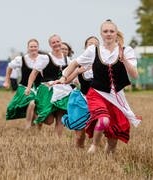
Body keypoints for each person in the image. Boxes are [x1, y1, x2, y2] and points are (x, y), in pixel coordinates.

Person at [60, 20, 141, 154]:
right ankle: (95, 145)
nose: (108, 34)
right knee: (103, 119)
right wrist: (64, 76)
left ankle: (108, 158)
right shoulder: (94, 50)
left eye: (111, 31)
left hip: (116, 97)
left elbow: (135, 75)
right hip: (97, 93)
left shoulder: (127, 50)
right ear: (101, 34)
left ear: (116, 33)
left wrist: (124, 60)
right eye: (105, 31)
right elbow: (75, 63)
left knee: (113, 140)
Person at [56, 36, 99, 148]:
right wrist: (77, 72)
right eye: (90, 44)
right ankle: (79, 151)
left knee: (98, 130)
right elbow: (67, 81)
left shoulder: (102, 64)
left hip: (98, 101)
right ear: (85, 47)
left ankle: (96, 149)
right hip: (81, 100)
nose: (92, 46)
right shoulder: (79, 63)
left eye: (95, 44)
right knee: (80, 135)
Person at [26, 34, 72, 137]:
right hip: (48, 90)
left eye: (57, 42)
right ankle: (36, 112)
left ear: (61, 42)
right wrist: (29, 87)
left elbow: (73, 74)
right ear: (50, 45)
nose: (56, 44)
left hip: (63, 90)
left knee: (61, 116)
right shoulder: (45, 58)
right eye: (53, 42)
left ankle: (57, 140)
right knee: (49, 120)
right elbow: (33, 73)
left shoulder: (67, 60)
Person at [3, 38, 47, 129]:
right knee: (31, 102)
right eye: (31, 46)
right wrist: (7, 80)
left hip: (39, 87)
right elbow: (9, 67)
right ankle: (27, 126)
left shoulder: (43, 59)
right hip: (25, 87)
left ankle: (35, 125)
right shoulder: (21, 59)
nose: (33, 48)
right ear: (27, 48)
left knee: (37, 105)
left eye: (35, 46)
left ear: (38, 47)